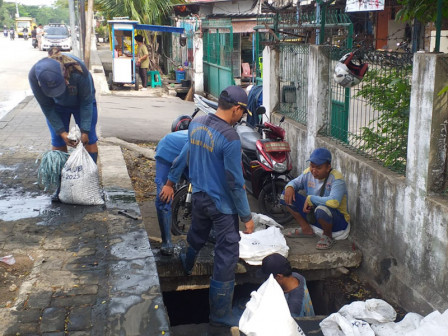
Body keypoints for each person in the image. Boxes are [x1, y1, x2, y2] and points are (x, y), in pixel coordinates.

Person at [180, 86, 255, 328]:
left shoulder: (196, 123)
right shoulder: (230, 137)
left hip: (199, 195)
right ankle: (220, 317)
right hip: (222, 205)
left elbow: (189, 158)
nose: (241, 118)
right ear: (237, 109)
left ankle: (186, 264)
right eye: (242, 113)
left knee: (197, 234)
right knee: (227, 254)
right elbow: (235, 182)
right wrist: (246, 216)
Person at [28, 48, 99, 201]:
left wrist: (85, 131)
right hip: (56, 107)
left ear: (65, 72)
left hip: (82, 103)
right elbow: (46, 106)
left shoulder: (79, 71)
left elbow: (87, 102)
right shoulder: (34, 75)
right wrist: (62, 132)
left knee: (90, 140)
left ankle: (88, 183)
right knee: (58, 142)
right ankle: (62, 187)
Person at [281, 147, 350, 250]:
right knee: (285, 195)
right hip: (316, 217)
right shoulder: (308, 173)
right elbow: (294, 183)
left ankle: (327, 236)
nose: (313, 170)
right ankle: (306, 229)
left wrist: (311, 199)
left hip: (337, 224)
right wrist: (289, 187)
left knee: (321, 209)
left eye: (318, 167)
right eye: (312, 166)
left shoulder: (337, 179)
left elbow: (334, 202)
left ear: (328, 167)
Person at [154, 124, 190, 256]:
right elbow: (179, 161)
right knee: (163, 197)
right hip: (168, 152)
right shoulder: (197, 139)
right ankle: (166, 242)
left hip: (188, 159)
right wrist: (169, 185)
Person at [258, 253, 315, 318]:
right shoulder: (298, 277)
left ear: (279, 276)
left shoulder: (293, 309)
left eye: (267, 278)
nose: (267, 281)